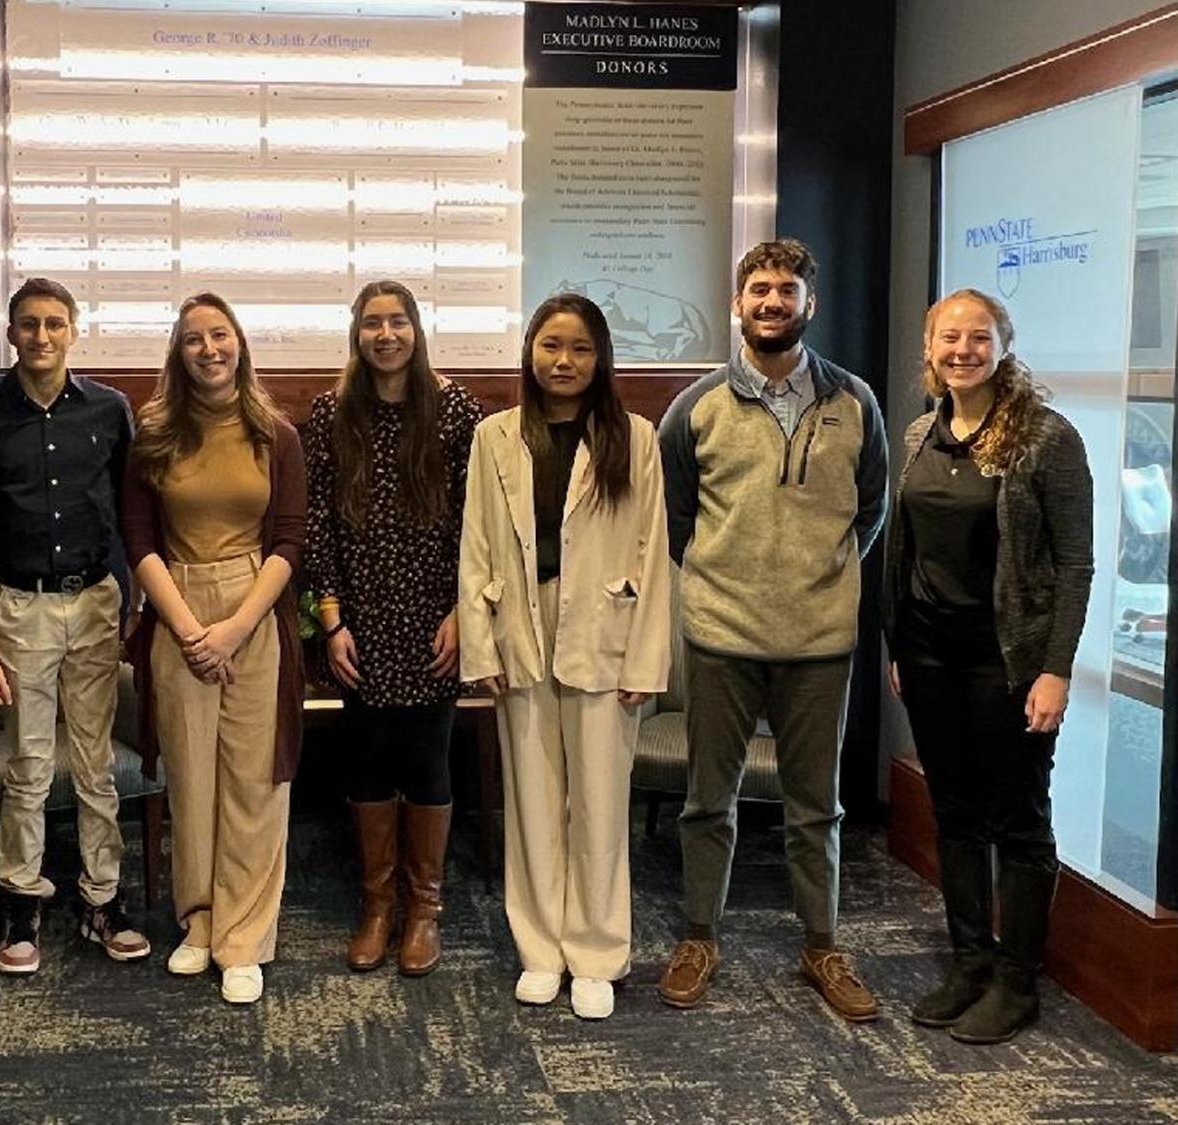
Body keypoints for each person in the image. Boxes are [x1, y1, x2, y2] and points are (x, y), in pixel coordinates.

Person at [657, 238, 888, 1022]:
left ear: (807, 304)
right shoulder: (696, 407)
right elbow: (674, 515)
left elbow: (871, 507)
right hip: (721, 635)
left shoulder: (854, 401)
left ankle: (822, 944)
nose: (771, 302)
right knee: (706, 801)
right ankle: (698, 937)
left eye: (786, 291)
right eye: (759, 289)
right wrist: (728, 576)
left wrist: (817, 573)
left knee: (815, 806)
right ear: (736, 302)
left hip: (821, 641)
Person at [884, 288, 1092, 1044]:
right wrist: (899, 644)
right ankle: (970, 960)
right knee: (957, 814)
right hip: (930, 655)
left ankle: (1016, 979)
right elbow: (904, 547)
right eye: (949, 336)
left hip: (1009, 664)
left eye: (979, 337)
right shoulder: (919, 434)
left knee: (1020, 820)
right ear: (930, 347)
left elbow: (1076, 564)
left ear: (1004, 345)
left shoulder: (1045, 438)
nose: (963, 349)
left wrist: (1056, 670)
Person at [459, 293, 670, 1020]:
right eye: (551, 345)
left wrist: (646, 660)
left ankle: (597, 952)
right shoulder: (496, 436)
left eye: (580, 348)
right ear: (529, 352)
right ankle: (541, 948)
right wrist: (480, 642)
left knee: (601, 804)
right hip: (521, 623)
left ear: (600, 356)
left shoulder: (635, 436)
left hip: (604, 629)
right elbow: (477, 545)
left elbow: (654, 550)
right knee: (534, 799)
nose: (564, 361)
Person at [0, 277, 150, 975]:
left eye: (54, 324)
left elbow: (133, 513)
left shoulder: (108, 410)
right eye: (28, 324)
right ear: (11, 334)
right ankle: (22, 901)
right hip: (18, 604)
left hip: (94, 599)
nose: (41, 336)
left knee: (95, 765)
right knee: (30, 765)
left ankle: (102, 898)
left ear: (74, 330)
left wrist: (140, 600)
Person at [122, 292, 306, 1005]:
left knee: (255, 781)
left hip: (255, 608)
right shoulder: (154, 434)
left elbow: (289, 540)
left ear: (240, 344)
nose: (209, 349)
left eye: (219, 335)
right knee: (193, 779)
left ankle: (245, 935)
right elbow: (138, 541)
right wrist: (188, 629)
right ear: (179, 351)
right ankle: (198, 921)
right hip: (175, 605)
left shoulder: (275, 433)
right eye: (194, 338)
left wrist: (234, 628)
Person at [303, 280, 481, 976]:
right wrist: (331, 618)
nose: (386, 334)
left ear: (416, 329)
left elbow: (478, 520)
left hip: (437, 615)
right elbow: (316, 521)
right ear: (356, 333)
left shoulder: (454, 407)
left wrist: (466, 610)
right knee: (369, 757)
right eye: (372, 322)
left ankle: (425, 910)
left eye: (398, 321)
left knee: (428, 759)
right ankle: (377, 907)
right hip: (359, 619)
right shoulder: (329, 413)